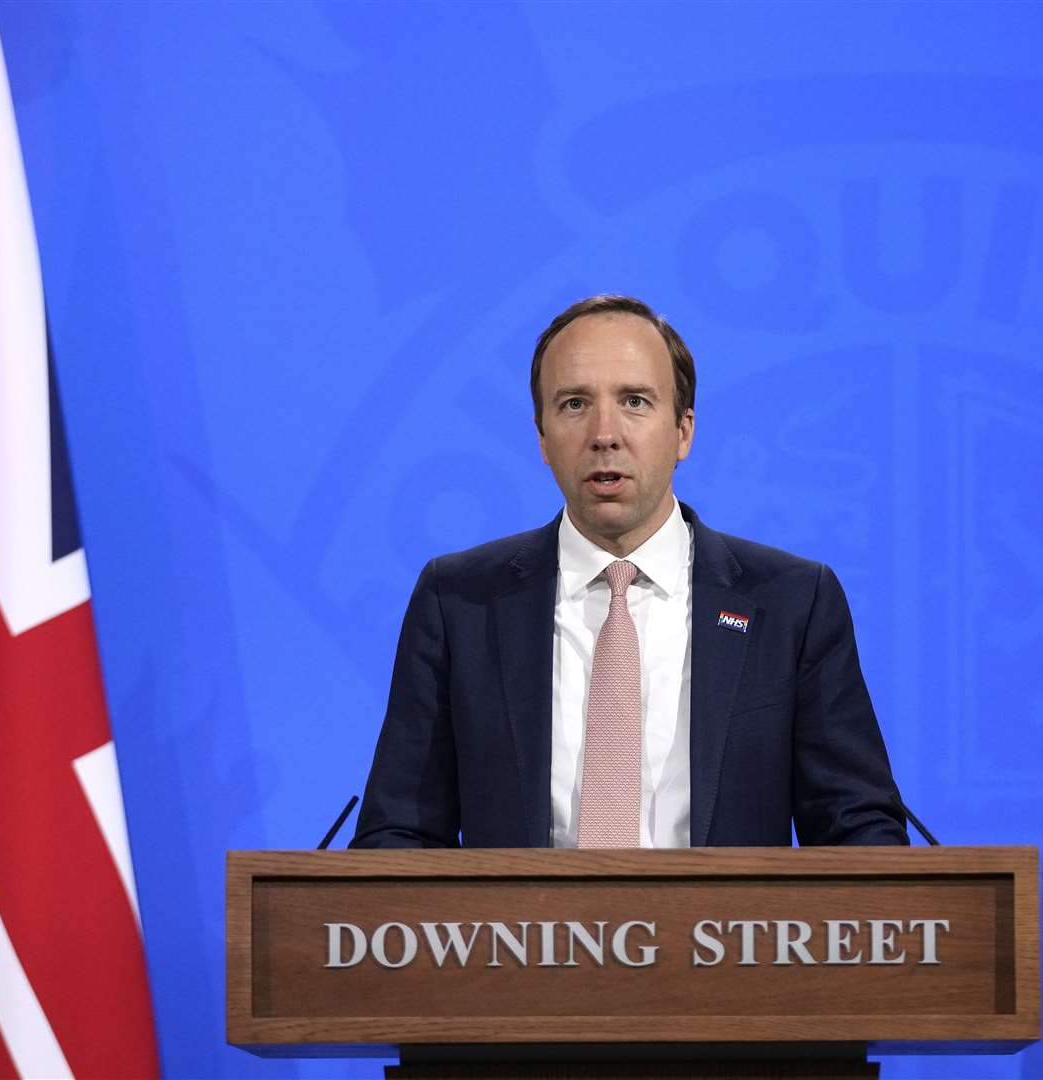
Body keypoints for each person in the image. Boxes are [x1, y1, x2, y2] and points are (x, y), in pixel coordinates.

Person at [351, 295, 909, 849]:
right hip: (522, 938)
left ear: (683, 431)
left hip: (724, 937)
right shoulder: (460, 601)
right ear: (542, 437)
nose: (604, 434)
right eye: (573, 404)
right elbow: (401, 833)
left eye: (635, 401)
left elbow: (857, 829)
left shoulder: (791, 602)